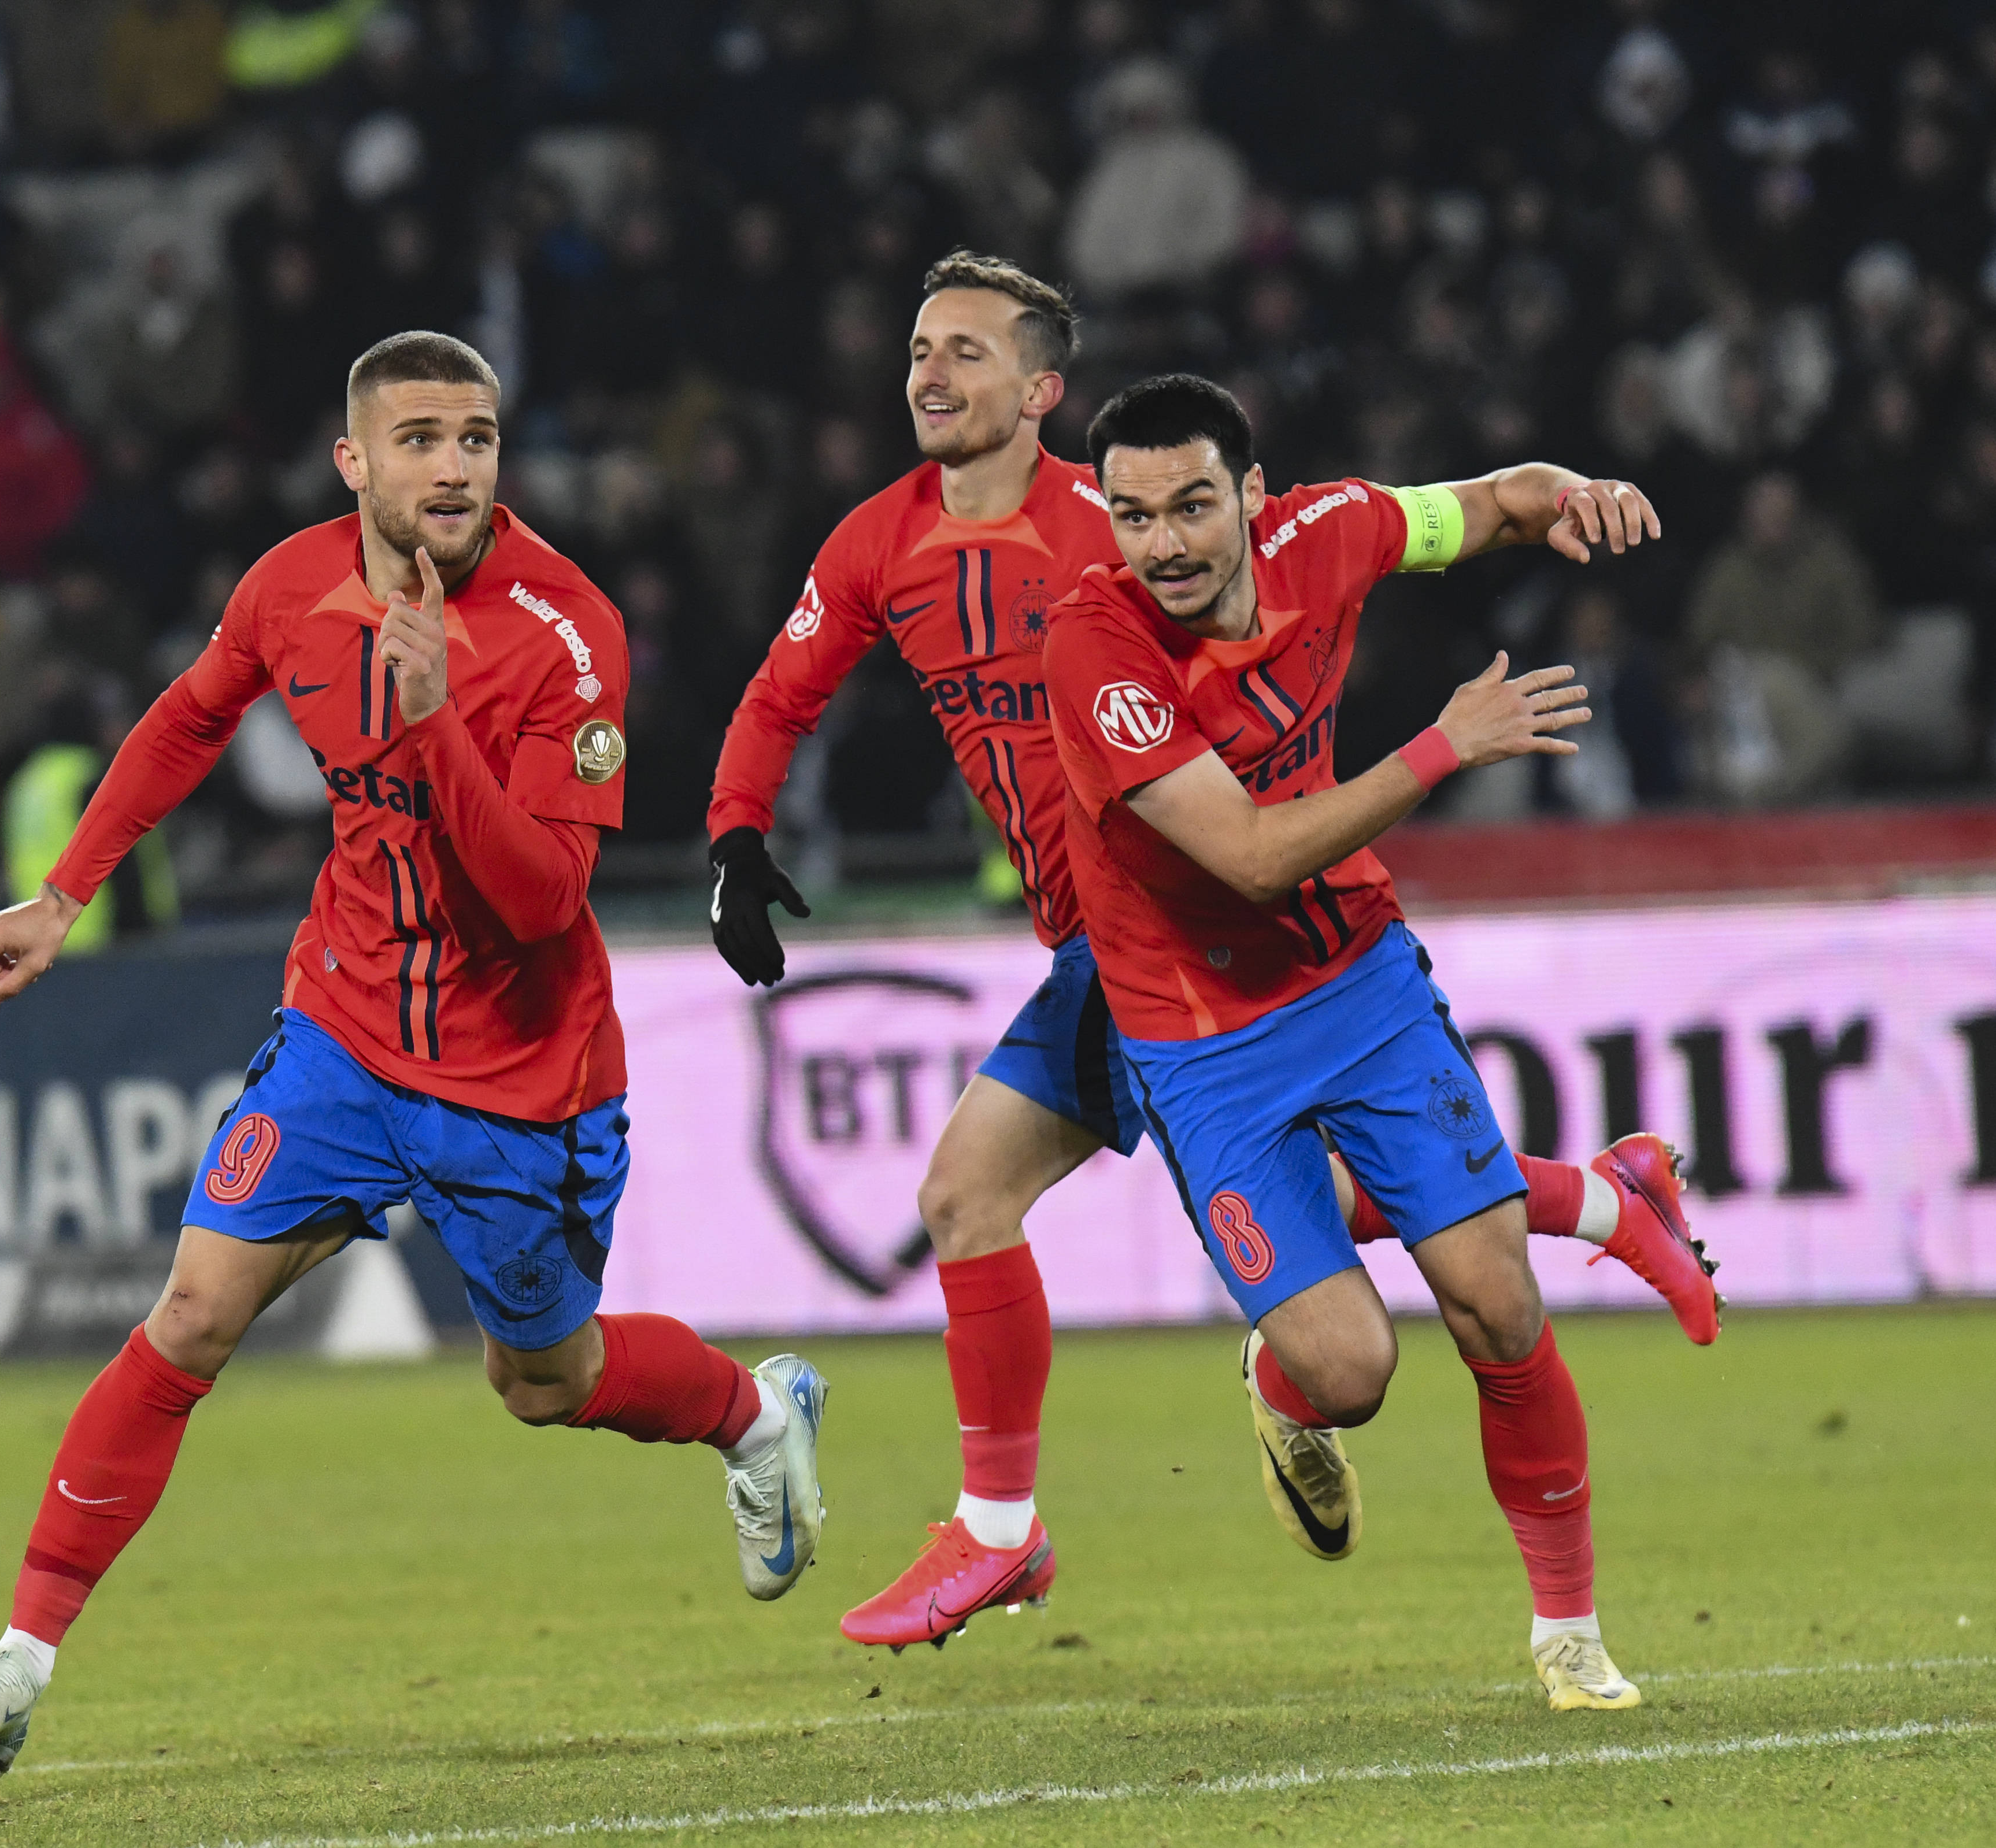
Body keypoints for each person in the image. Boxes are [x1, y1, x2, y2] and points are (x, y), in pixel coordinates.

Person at [707, 254, 1719, 1654]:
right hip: (1103, 948)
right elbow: (780, 690)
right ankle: (1601, 1198)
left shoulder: (1119, 524)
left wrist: (1560, 501)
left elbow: (1439, 529)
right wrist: (735, 838)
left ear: (1040, 389)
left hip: (1193, 952)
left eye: (965, 353)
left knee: (993, 1201)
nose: (930, 375)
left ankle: (1004, 1530)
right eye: (919, 349)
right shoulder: (878, 545)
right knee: (1023, 1206)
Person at [0, 332, 830, 1776]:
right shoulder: (291, 586)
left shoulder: (566, 629)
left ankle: (751, 1413)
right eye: (419, 440)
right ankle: (19, 1659)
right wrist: (67, 890)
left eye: (475, 438)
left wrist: (434, 723)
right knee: (193, 1315)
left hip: (517, 1077)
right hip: (340, 1035)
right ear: (356, 463)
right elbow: (189, 715)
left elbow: (542, 903)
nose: (453, 465)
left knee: (543, 1379)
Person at [1041, 372, 1687, 1712]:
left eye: (1191, 506)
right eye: (1133, 514)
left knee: (1497, 1304)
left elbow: (1492, 507)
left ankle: (1567, 1635)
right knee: (1352, 1370)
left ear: (1254, 499)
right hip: (1200, 1039)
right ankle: (1299, 1377)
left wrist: (1571, 493)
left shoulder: (1331, 528)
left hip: (1359, 989)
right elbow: (1257, 857)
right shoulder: (1094, 650)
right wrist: (1444, 748)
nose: (1163, 542)